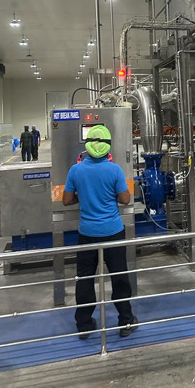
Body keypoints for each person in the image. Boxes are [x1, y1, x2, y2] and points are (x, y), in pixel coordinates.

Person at [62, 124, 138, 339]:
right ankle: (125, 321)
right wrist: (109, 195)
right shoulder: (114, 170)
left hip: (87, 233)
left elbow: (66, 200)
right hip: (113, 231)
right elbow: (125, 199)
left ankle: (84, 325)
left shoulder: (76, 170)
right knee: (119, 276)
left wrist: (83, 197)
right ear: (107, 146)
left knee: (85, 279)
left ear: (87, 146)